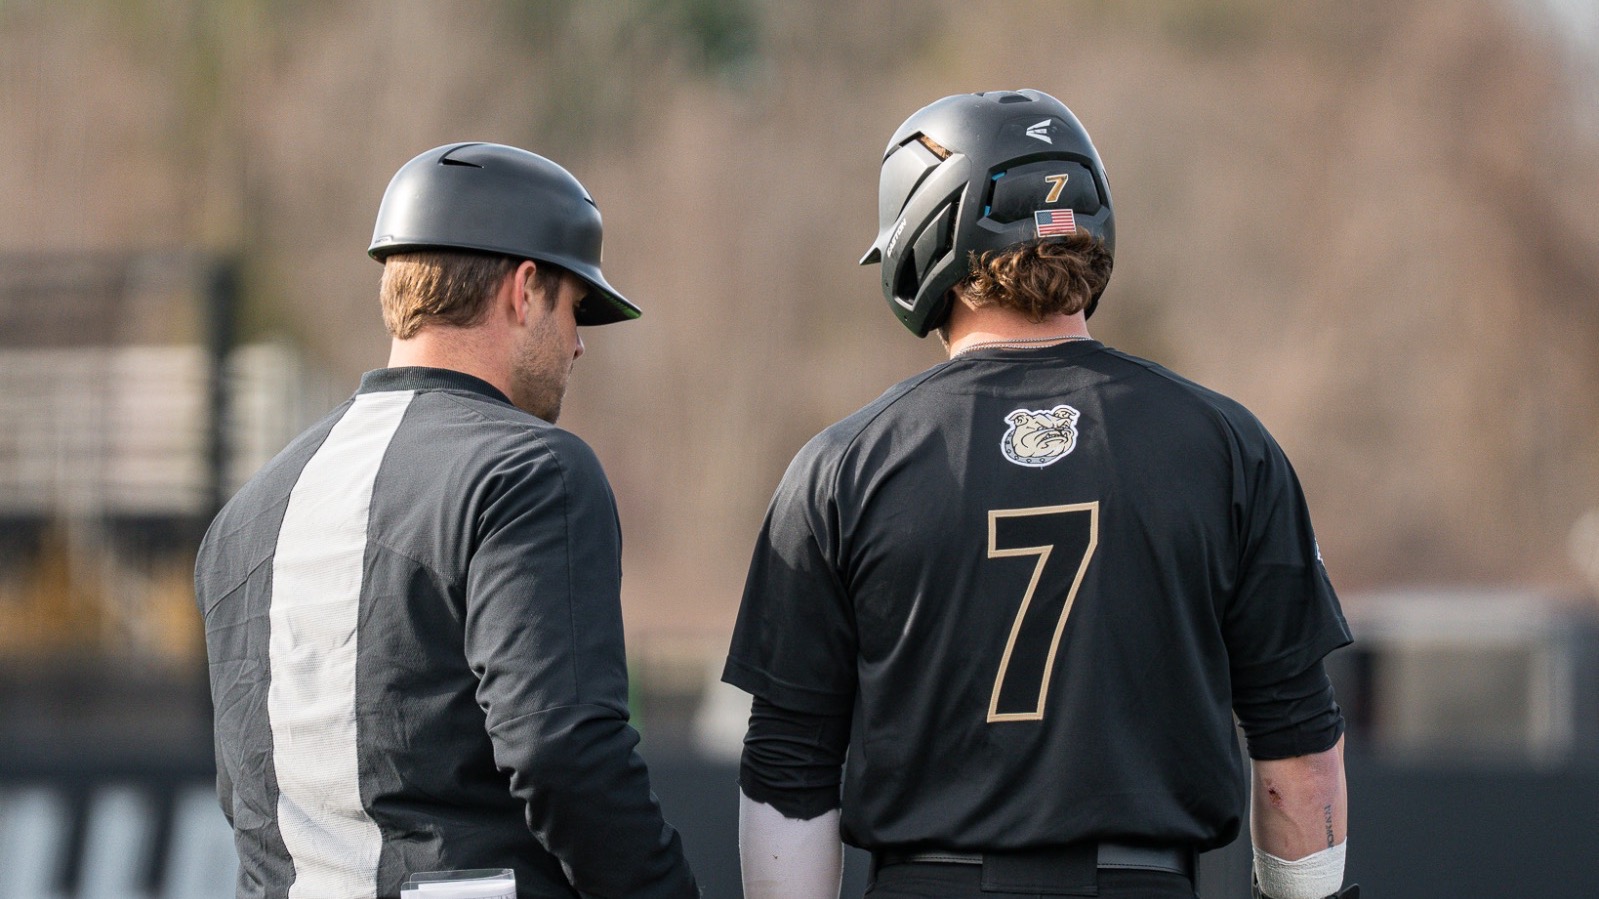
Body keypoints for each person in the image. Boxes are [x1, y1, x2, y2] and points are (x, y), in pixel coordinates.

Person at [721, 90, 1358, 899]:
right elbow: (1296, 757)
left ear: (922, 238)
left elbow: (789, 768)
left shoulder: (845, 463)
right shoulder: (1226, 446)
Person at [196, 142, 699, 899]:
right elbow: (563, 751)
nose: (578, 341)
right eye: (573, 307)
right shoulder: (531, 470)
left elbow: (243, 798)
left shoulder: (246, 513)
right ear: (523, 289)